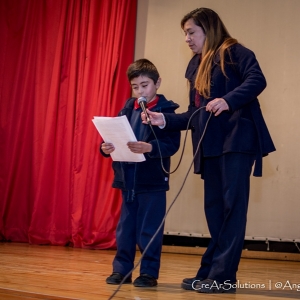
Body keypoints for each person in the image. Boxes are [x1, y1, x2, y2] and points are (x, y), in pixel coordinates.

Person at [143, 8, 275, 293]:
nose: (187, 39)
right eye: (185, 34)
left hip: (238, 140)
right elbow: (195, 112)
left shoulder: (235, 52)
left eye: (191, 32)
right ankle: (210, 271)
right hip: (210, 144)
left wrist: (227, 100)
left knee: (232, 210)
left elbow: (257, 80)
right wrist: (164, 119)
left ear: (209, 29)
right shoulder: (196, 64)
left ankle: (224, 278)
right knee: (215, 210)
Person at [100, 59, 180, 287]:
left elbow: (172, 145)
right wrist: (105, 147)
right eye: (135, 87)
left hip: (152, 180)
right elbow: (113, 136)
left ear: (157, 83)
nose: (140, 91)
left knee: (150, 229)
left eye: (145, 85)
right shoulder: (127, 108)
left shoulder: (167, 111)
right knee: (125, 229)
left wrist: (150, 148)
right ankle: (121, 271)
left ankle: (148, 272)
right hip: (128, 179)